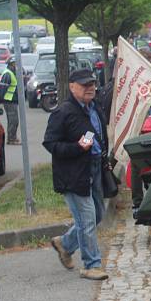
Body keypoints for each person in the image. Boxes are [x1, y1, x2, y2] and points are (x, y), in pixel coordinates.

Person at [44, 69, 109, 281]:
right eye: (84, 84)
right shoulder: (63, 111)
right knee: (87, 219)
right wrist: (76, 148)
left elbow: (93, 134)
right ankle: (92, 264)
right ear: (72, 87)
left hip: (95, 167)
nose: (90, 87)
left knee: (97, 214)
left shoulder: (93, 107)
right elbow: (50, 143)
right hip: (73, 173)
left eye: (92, 83)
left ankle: (64, 244)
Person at [0, 57, 21, 145]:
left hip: (12, 100)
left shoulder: (12, 72)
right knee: (13, 120)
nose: (17, 65)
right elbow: (2, 88)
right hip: (9, 100)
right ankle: (11, 139)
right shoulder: (8, 74)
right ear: (12, 64)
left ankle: (12, 137)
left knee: (13, 120)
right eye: (15, 63)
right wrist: (1, 99)